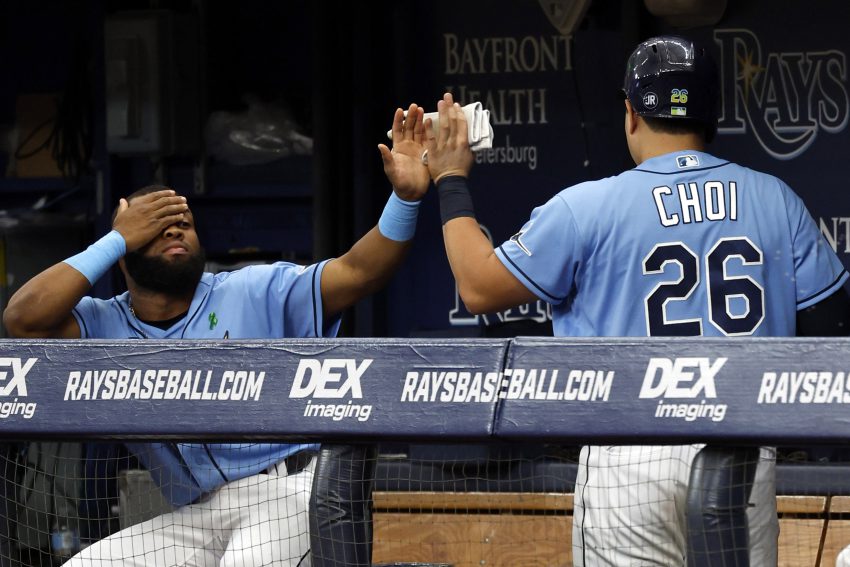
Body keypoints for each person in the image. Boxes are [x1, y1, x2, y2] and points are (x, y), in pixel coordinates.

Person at [417, 36, 850, 566]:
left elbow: (478, 287)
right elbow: (833, 332)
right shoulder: (776, 200)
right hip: (742, 455)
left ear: (630, 114)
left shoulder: (589, 207)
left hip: (628, 455)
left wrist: (452, 178)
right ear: (712, 112)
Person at [2, 103, 431, 566]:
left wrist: (405, 199)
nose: (176, 234)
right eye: (156, 230)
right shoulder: (102, 322)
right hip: (196, 514)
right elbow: (23, 319)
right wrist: (114, 239)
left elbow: (359, 271)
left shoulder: (254, 288)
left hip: (287, 491)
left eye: (183, 225)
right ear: (122, 255)